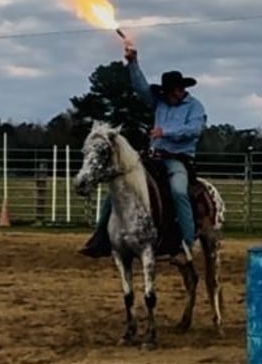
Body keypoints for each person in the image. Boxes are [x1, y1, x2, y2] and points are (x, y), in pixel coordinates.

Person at [79, 41, 207, 264]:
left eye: (170, 92)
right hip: (153, 156)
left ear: (179, 90)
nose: (166, 96)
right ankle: (100, 238)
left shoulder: (195, 107)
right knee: (118, 187)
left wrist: (165, 132)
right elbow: (141, 88)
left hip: (178, 158)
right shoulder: (161, 102)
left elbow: (194, 130)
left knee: (178, 191)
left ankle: (186, 245)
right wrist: (133, 62)